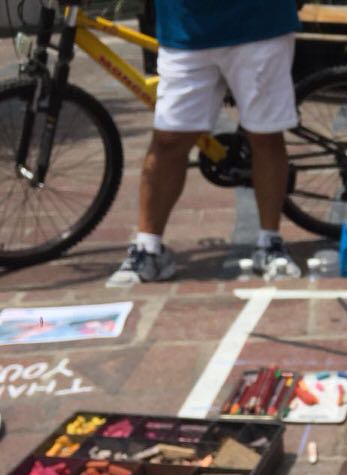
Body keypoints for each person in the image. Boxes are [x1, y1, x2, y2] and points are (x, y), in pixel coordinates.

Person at [107, 0, 302, 286]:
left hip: (259, 21)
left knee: (265, 136)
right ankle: (148, 248)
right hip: (186, 27)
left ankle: (270, 242)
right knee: (169, 138)